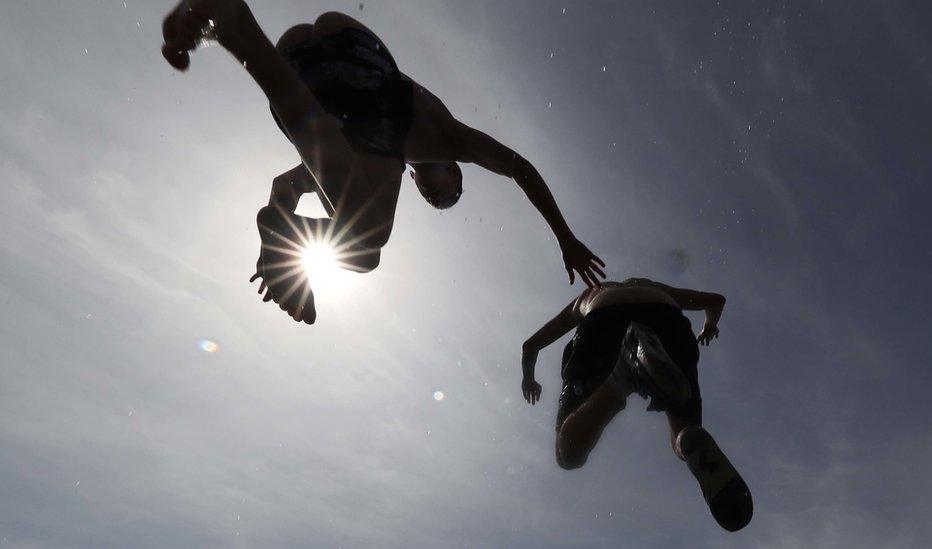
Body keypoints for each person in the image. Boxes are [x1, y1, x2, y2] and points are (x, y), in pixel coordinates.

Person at [160, 0, 606, 323]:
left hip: (300, 62)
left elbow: (283, 188)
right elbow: (518, 167)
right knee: (367, 244)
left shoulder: (367, 162)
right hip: (363, 64)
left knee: (352, 216)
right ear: (453, 171)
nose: (435, 195)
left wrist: (278, 238)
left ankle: (236, 27)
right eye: (447, 194)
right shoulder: (448, 137)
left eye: (433, 200)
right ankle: (240, 34)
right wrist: (565, 237)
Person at [520, 278, 753, 531]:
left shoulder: (591, 293)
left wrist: (528, 378)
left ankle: (621, 377)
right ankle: (687, 438)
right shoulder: (657, 288)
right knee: (684, 431)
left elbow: (530, 345)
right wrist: (709, 325)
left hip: (604, 312)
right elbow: (717, 301)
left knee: (569, 453)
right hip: (666, 314)